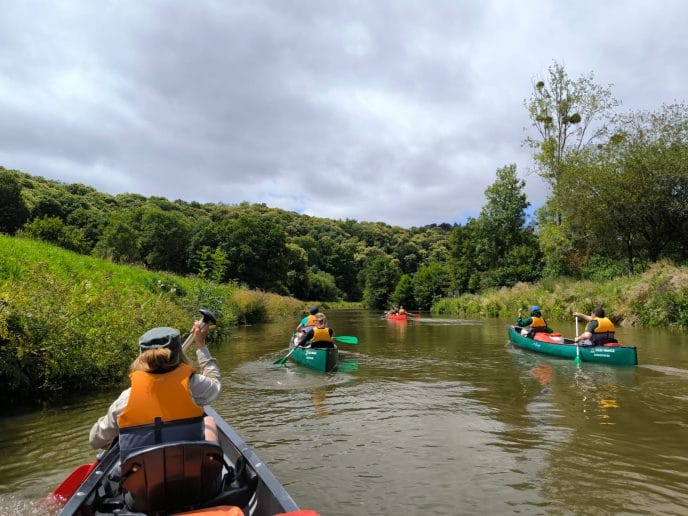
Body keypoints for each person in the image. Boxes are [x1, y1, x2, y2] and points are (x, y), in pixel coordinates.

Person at [89, 318, 221, 458]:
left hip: (141, 476)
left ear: (141, 357)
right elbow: (215, 386)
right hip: (187, 469)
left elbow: (95, 441)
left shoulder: (126, 398)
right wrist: (200, 344)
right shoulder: (194, 385)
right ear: (179, 355)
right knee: (209, 420)